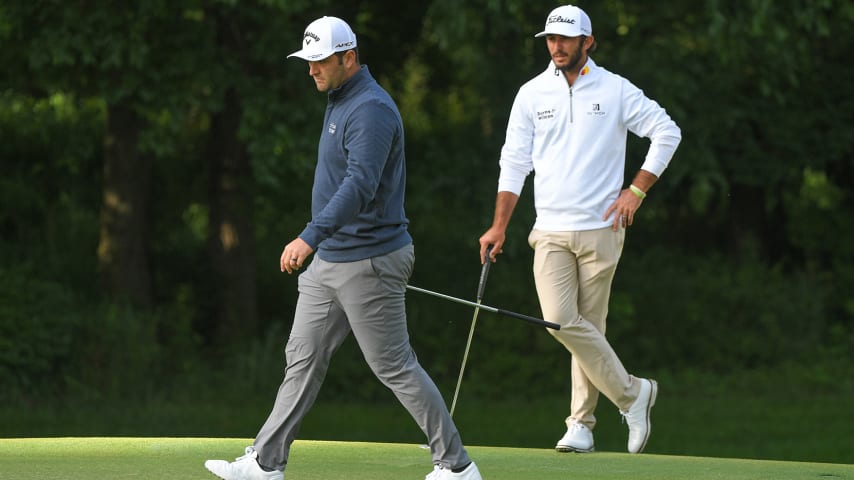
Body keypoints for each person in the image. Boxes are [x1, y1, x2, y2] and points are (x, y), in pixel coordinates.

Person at [204, 16, 482, 480]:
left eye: (319, 62)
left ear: (348, 58)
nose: (311, 70)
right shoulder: (339, 99)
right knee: (303, 356)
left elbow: (360, 185)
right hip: (332, 259)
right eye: (308, 62)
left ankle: (456, 466)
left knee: (393, 364)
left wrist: (308, 236)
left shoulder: (370, 109)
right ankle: (266, 463)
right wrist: (320, 243)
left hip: (369, 258)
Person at [478, 5, 681, 455]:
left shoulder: (614, 89)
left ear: (588, 42)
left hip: (602, 228)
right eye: (551, 39)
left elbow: (666, 132)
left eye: (566, 40)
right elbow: (514, 162)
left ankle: (581, 425)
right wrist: (498, 227)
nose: (557, 47)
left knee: (589, 327)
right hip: (549, 228)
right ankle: (632, 394)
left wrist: (637, 191)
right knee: (561, 320)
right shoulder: (531, 94)